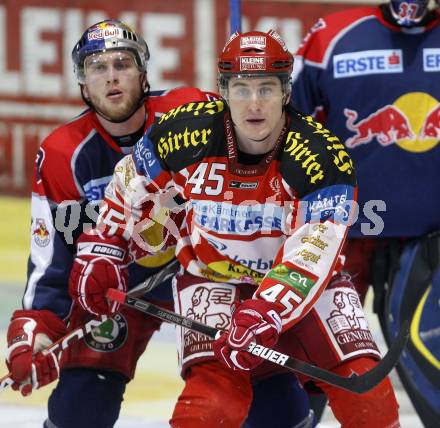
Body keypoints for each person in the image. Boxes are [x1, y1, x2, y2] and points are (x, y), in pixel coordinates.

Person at [68, 29, 400, 428]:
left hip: (303, 286)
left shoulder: (321, 155)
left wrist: (266, 309)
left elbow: (314, 250)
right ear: (223, 91)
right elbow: (130, 185)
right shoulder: (182, 132)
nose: (254, 103)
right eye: (241, 89)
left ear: (286, 92)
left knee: (367, 397)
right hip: (211, 279)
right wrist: (104, 246)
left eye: (267, 88)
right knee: (209, 407)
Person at [4, 19, 217, 428]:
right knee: (78, 409)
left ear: (144, 72)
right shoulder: (63, 153)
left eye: (123, 63)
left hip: (203, 278)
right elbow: (53, 263)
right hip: (121, 291)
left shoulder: (190, 111)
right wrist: (34, 329)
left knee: (261, 397)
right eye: (97, 68)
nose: (112, 76)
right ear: (83, 85)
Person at [291, 0, 440, 425]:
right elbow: (287, 125)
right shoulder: (331, 35)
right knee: (311, 357)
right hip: (338, 235)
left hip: (429, 240)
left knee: (428, 356)